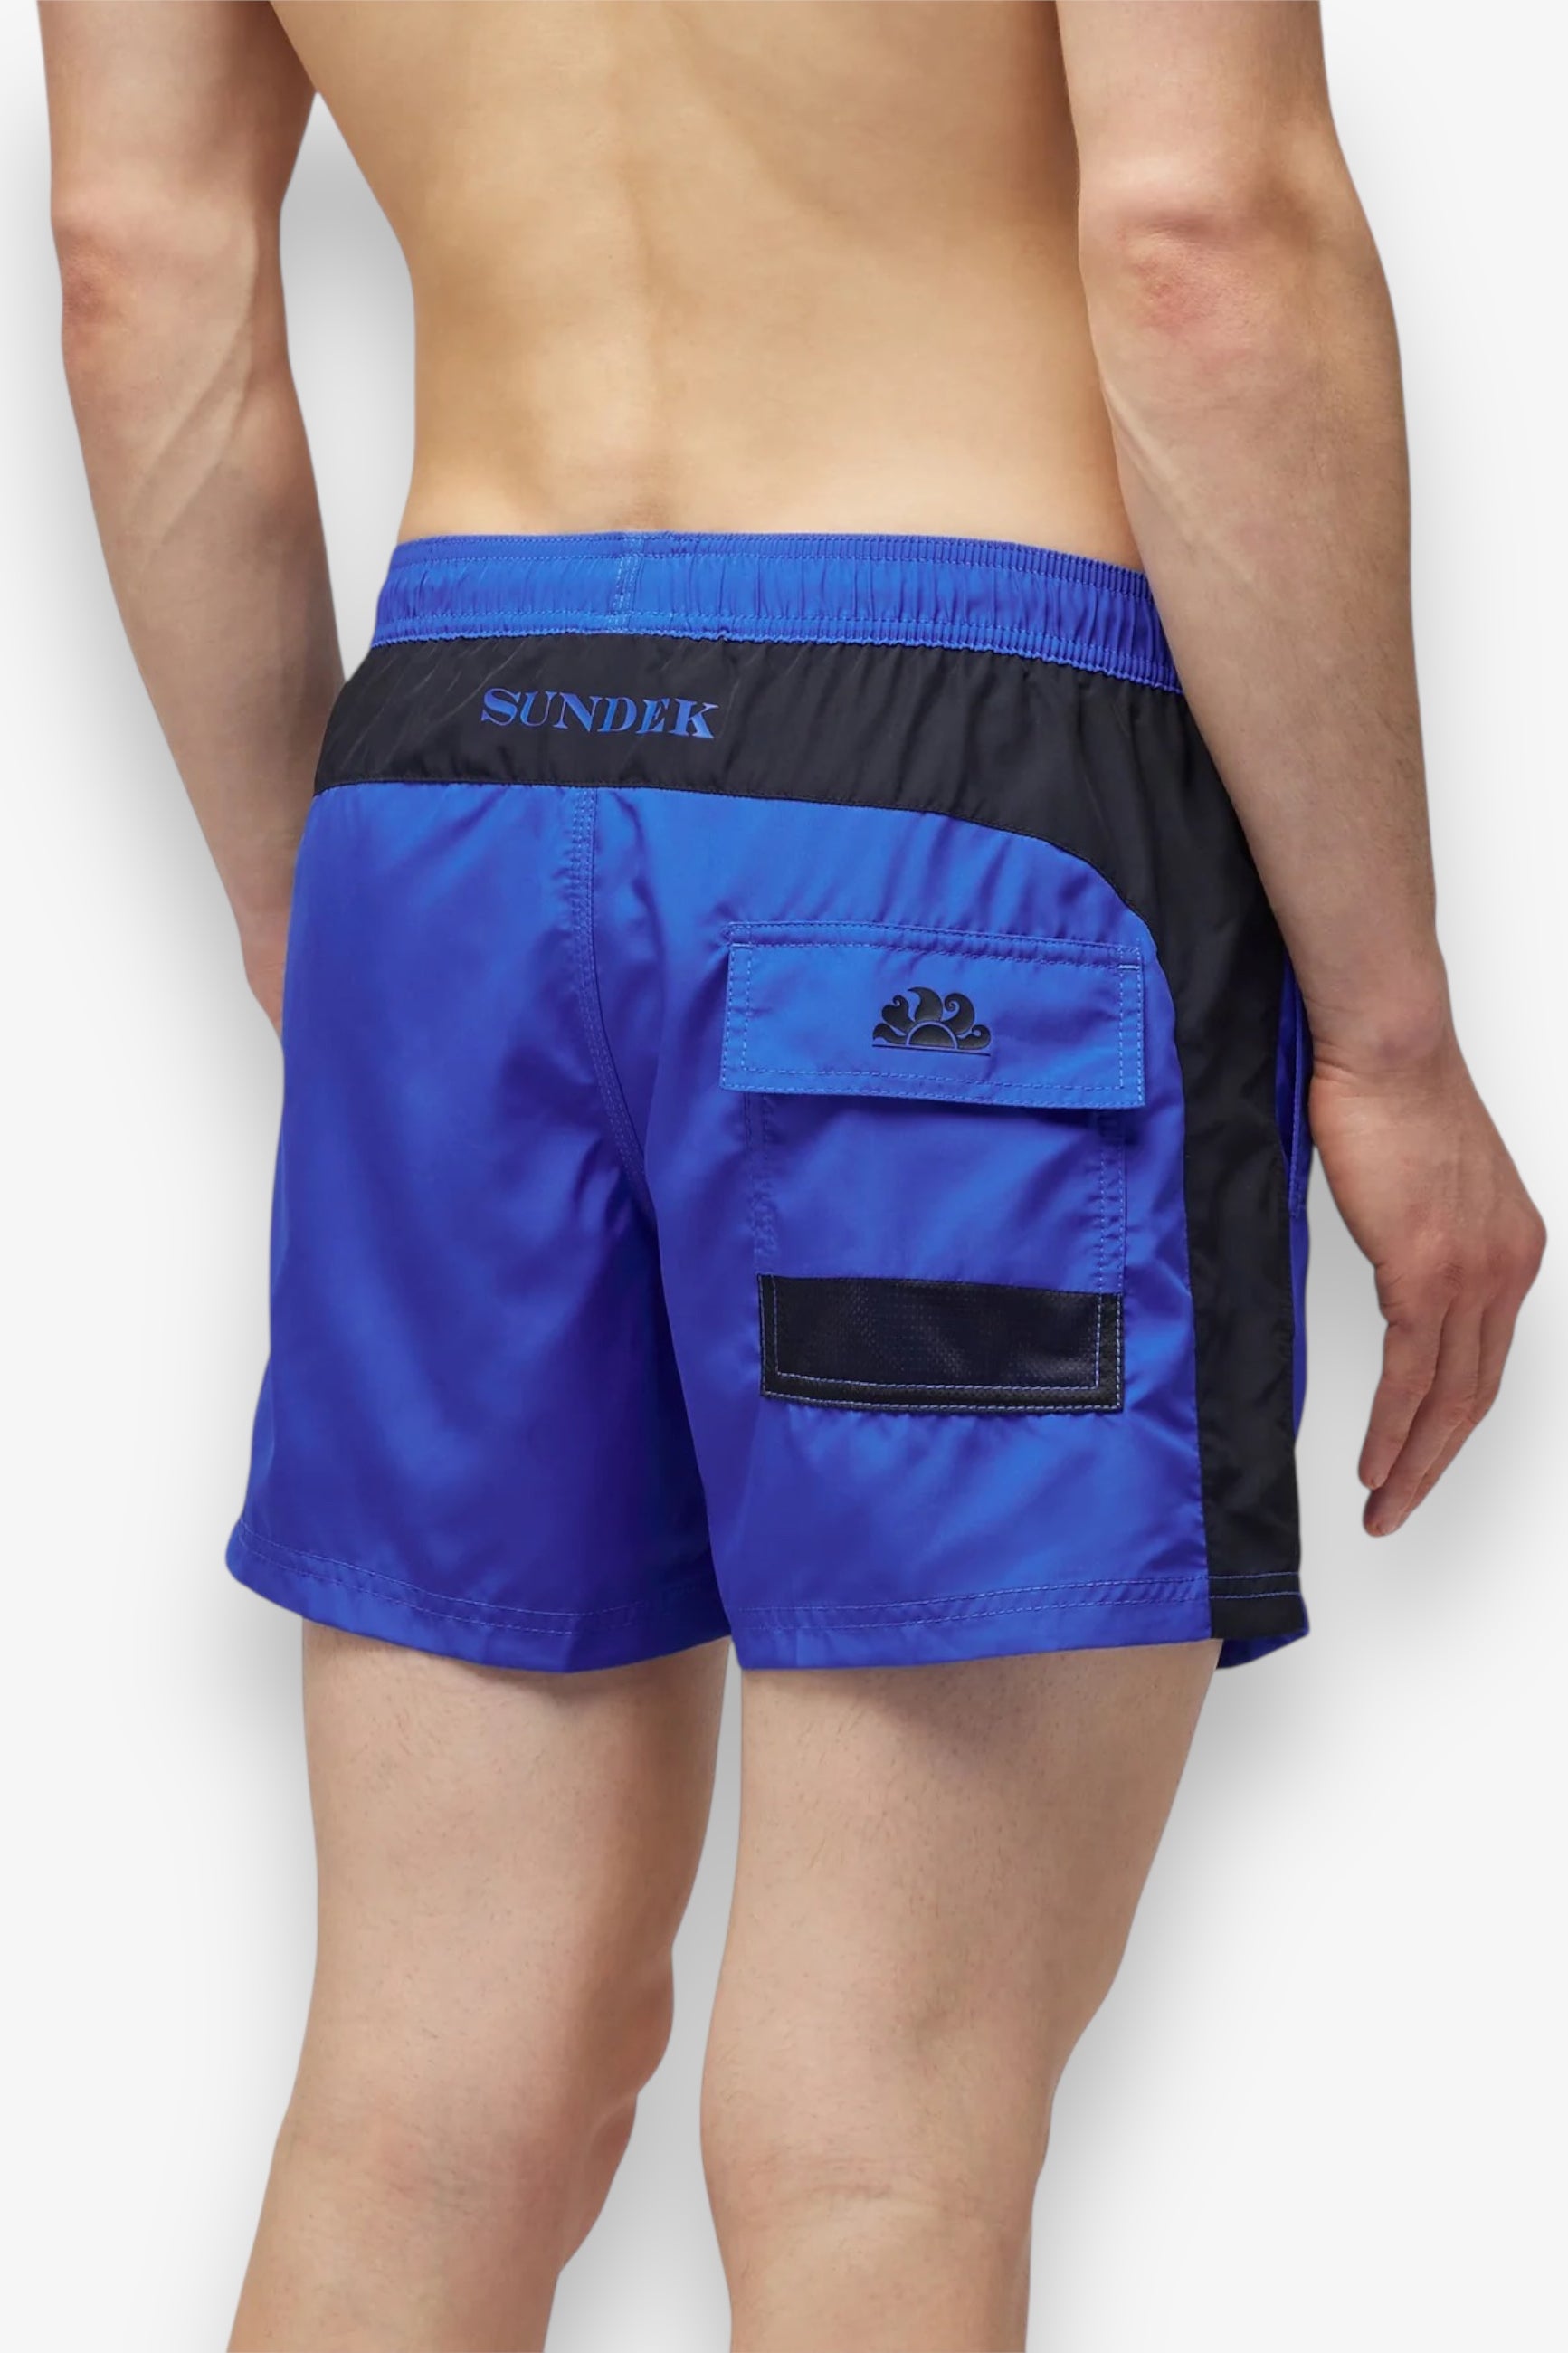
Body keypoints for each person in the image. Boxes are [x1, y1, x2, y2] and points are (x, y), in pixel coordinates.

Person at [39, 4, 1544, 2348]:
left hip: (460, 792)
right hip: (955, 822)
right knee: (880, 2141)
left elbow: (140, 259)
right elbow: (1201, 239)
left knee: (427, 2108)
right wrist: (1394, 1032)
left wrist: (291, 902)